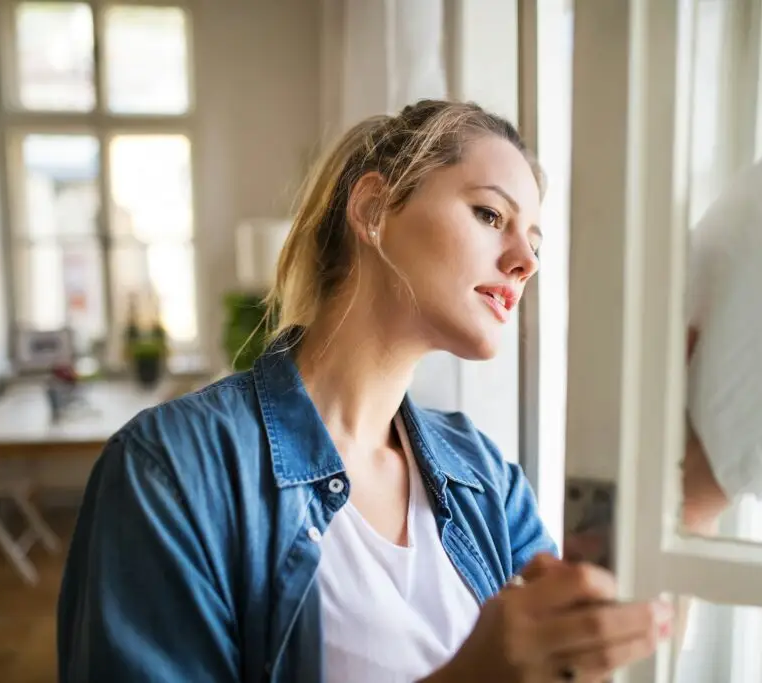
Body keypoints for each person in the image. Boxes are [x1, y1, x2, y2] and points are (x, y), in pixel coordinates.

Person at [57, 100, 674, 683]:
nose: (525, 263)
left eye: (534, 244)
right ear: (373, 210)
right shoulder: (172, 470)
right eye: (491, 215)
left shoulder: (486, 477)